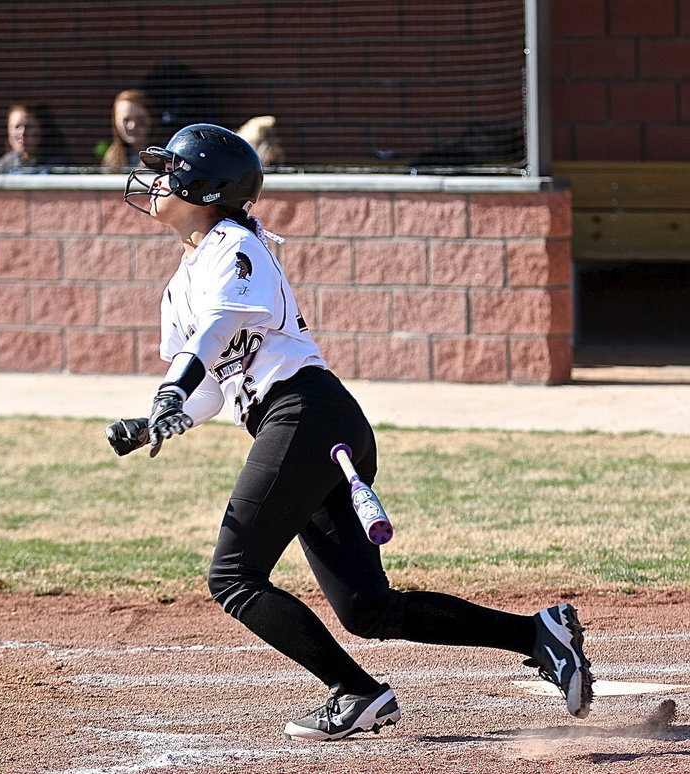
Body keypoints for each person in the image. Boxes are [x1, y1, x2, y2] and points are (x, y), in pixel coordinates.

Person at [106, 123, 594, 742]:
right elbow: (209, 386)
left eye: (171, 171)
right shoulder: (181, 283)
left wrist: (172, 390)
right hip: (301, 426)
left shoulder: (234, 244)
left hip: (307, 415)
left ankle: (356, 691)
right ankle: (536, 634)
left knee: (231, 576)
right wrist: (161, 417)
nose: (155, 180)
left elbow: (214, 336)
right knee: (366, 609)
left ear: (206, 189)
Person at [0, 103, 70, 172]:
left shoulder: (59, 166)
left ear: (41, 130)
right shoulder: (5, 165)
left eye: (28, 127)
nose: (22, 133)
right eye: (16, 127)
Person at [100, 89, 154, 169]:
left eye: (140, 119)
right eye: (126, 120)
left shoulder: (165, 156)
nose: (132, 126)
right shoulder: (111, 158)